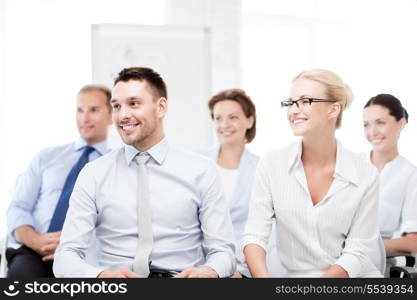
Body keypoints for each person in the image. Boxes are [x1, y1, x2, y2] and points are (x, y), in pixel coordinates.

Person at [53, 67, 236, 278]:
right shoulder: (93, 174)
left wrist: (209, 271)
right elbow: (66, 257)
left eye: (134, 104)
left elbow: (223, 251)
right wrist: (102, 277)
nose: (123, 115)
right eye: (116, 106)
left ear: (160, 107)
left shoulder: (201, 171)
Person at [243, 69, 383, 277]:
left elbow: (358, 251)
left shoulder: (365, 174)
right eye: (290, 103)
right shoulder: (272, 164)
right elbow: (255, 236)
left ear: (333, 109)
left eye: (305, 101)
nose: (293, 110)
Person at [6, 84, 113, 278]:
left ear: (111, 115)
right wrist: (36, 241)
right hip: (34, 253)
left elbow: (117, 223)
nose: (84, 118)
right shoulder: (46, 157)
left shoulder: (117, 166)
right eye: (79, 110)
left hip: (87, 258)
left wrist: (71, 249)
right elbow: (18, 207)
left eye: (94, 110)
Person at [197, 89, 282, 277]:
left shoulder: (263, 168)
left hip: (242, 269)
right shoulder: (196, 163)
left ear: (249, 121)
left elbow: (266, 229)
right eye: (218, 118)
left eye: (233, 117)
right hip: (198, 265)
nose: (224, 124)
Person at [362, 94, 417, 268]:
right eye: (366, 125)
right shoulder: (349, 165)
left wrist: (367, 247)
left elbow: (413, 241)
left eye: (380, 122)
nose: (372, 132)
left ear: (400, 124)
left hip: (376, 263)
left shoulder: (410, 175)